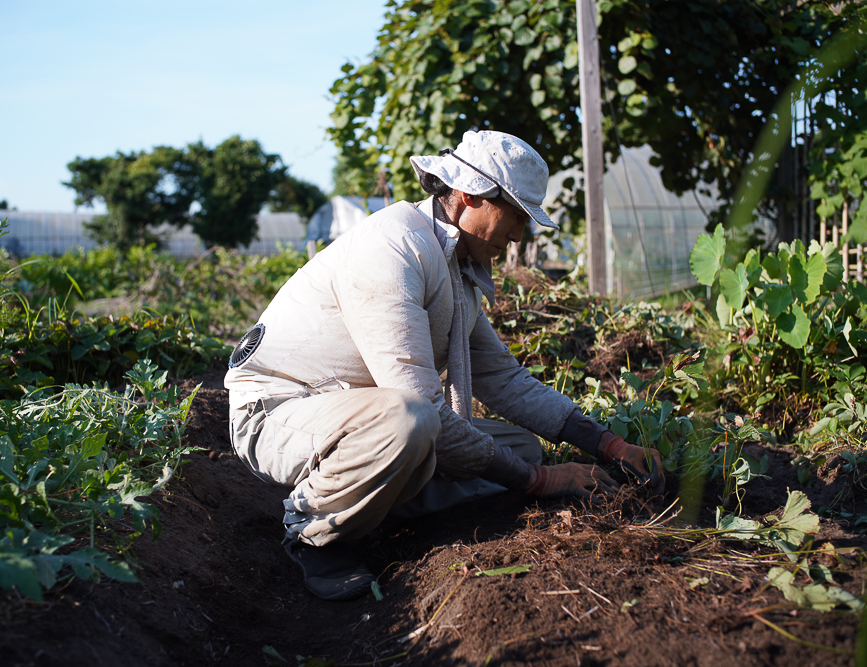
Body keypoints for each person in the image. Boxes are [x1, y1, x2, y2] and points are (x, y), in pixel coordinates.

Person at [224, 130, 665, 601]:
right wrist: (538, 483)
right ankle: (315, 531)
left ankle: (369, 503)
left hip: (350, 414)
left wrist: (608, 443)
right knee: (411, 421)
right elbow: (421, 403)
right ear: (471, 194)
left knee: (522, 447)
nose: (519, 236)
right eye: (515, 216)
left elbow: (503, 378)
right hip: (278, 412)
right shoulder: (393, 249)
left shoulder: (454, 267)